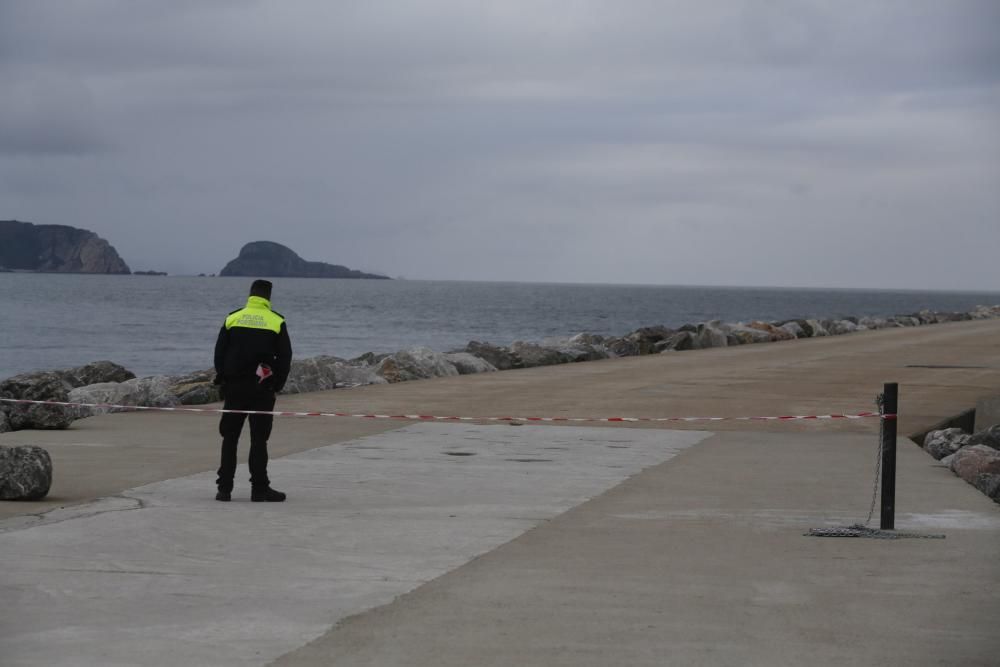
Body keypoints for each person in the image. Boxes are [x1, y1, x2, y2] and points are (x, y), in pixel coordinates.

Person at [213, 279, 292, 502]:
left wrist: (222, 379)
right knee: (259, 440)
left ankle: (224, 489)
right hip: (262, 389)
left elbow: (219, 352)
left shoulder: (233, 318)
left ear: (250, 294)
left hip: (234, 388)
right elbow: (285, 357)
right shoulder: (276, 321)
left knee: (229, 438)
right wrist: (278, 384)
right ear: (268, 297)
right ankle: (259, 489)